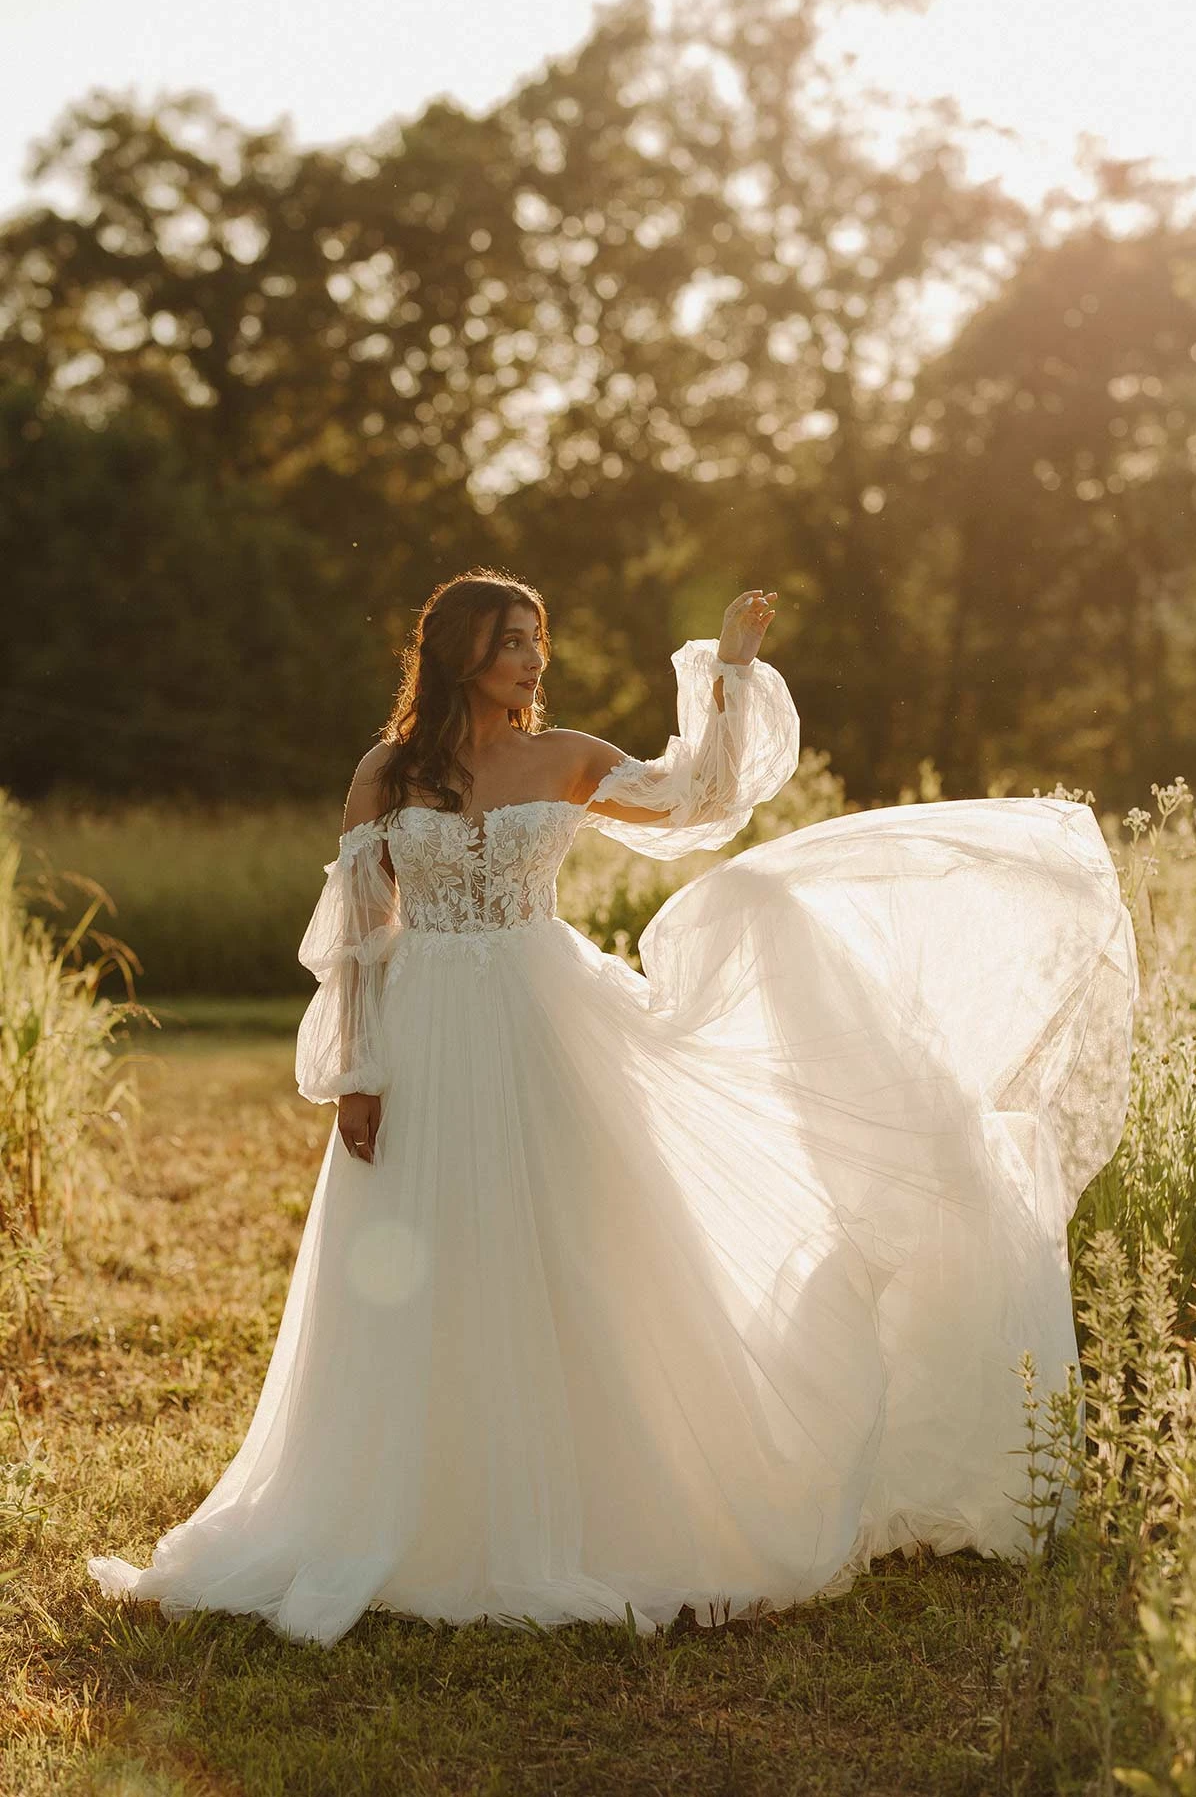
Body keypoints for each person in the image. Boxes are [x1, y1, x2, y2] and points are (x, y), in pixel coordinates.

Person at [87, 567, 1138, 1646]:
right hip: (429, 1028)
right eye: (509, 643)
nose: (533, 661)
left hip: (550, 1023)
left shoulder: (568, 757)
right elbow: (361, 927)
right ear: (457, 654)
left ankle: (594, 1498)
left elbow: (701, 802)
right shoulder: (389, 772)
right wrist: (358, 1071)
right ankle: (417, 1504)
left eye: (538, 640)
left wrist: (729, 672)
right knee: (423, 1253)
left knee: (577, 1250)